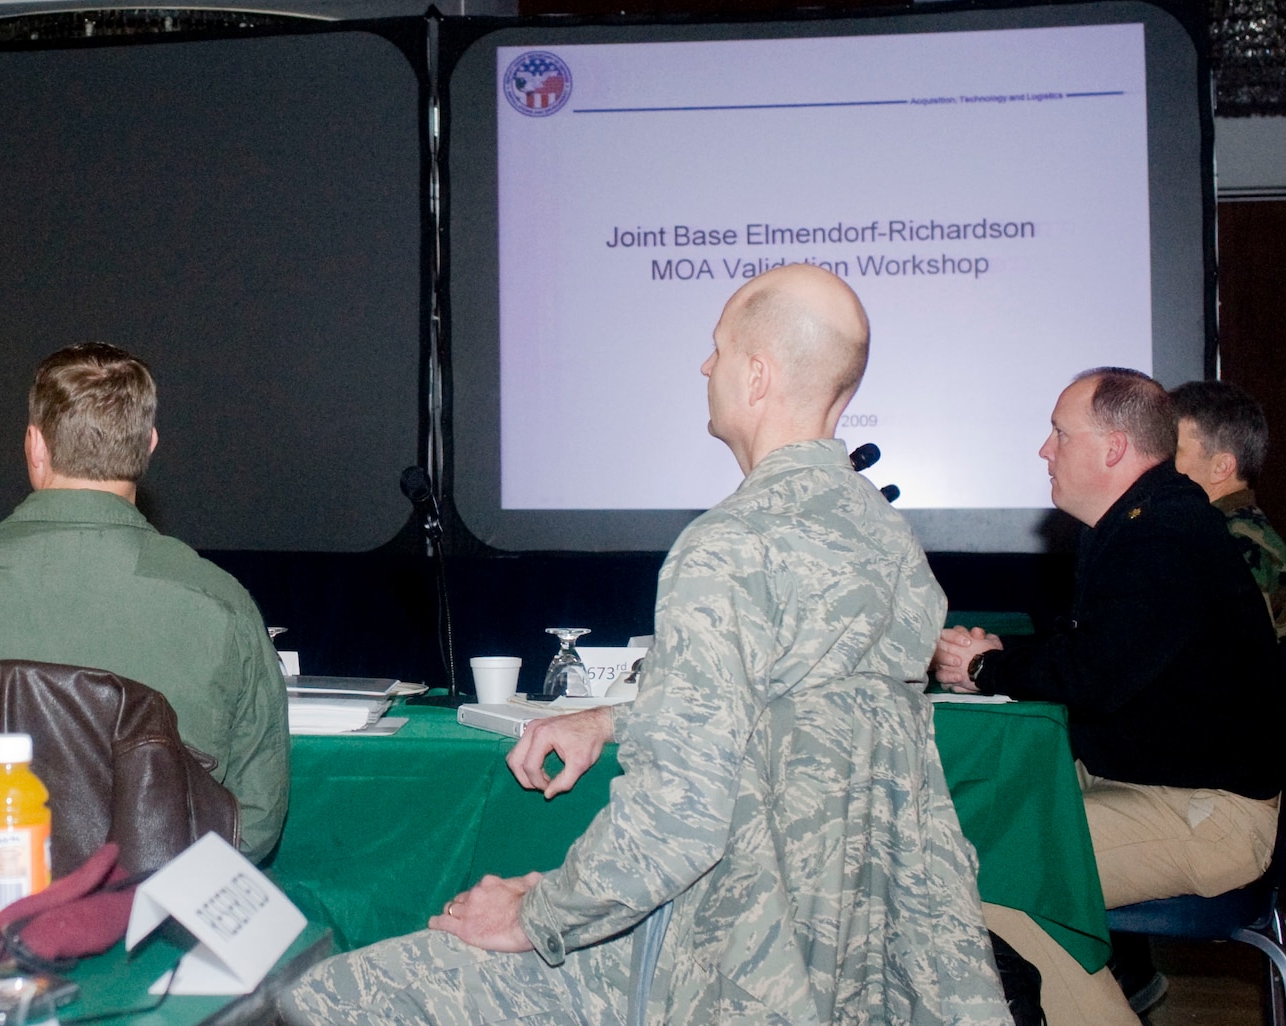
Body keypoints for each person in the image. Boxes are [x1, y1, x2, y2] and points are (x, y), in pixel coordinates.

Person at [283, 266, 1010, 1026]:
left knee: (330, 998)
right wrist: (613, 718)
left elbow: (679, 823)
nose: (705, 366)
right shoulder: (892, 545)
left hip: (713, 964)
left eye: (718, 350)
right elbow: (797, 713)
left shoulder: (730, 546)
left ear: (757, 376)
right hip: (847, 972)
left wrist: (537, 916)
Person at [934, 368, 1282, 1026]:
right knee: (974, 821)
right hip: (1162, 784)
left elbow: (1094, 676)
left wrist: (988, 668)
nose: (1045, 450)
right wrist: (997, 661)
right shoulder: (1141, 522)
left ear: (1114, 448)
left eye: (1061, 434)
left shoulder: (1160, 537)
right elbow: (1095, 651)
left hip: (1209, 817)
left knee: (979, 864)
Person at [0, 342, 290, 861]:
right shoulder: (218, 602)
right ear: (148, 446)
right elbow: (254, 823)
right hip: (150, 924)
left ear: (35, 446)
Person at [1171, 379, 1286, 638]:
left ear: (1221, 468)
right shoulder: (1226, 530)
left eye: (1173, 451)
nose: (1161, 463)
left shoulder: (1234, 543)